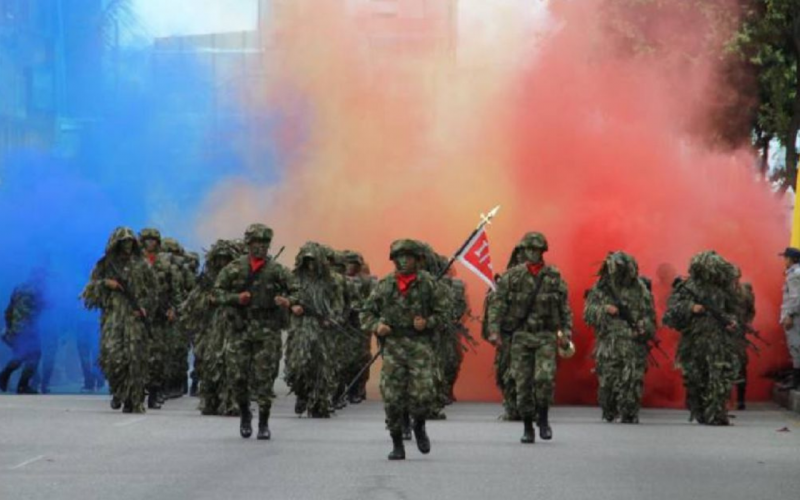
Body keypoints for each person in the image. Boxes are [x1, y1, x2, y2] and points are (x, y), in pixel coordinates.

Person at [361, 239, 447, 460]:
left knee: (423, 394)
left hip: (419, 346)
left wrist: (427, 322)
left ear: (417, 260)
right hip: (394, 346)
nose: (403, 261)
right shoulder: (385, 285)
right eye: (399, 257)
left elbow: (446, 314)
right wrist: (377, 326)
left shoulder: (429, 284)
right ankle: (397, 443)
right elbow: (366, 312)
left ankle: (419, 425)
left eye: (408, 257)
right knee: (392, 397)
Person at [487, 232, 573, 444]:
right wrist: (494, 330)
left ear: (543, 252)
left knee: (544, 379)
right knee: (522, 383)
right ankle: (527, 426)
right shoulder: (512, 277)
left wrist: (566, 333)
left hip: (545, 335)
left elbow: (564, 308)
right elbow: (498, 304)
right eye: (529, 250)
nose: (533, 254)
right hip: (521, 336)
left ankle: (543, 419)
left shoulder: (553, 276)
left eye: (537, 250)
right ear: (523, 251)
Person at [213, 224, 294, 440]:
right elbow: (215, 293)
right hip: (240, 329)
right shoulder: (234, 268)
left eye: (264, 243)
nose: (260, 247)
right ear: (248, 244)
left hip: (267, 330)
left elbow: (297, 289)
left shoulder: (276, 270)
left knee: (265, 378)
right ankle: (245, 414)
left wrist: (287, 300)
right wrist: (235, 298)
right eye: (256, 243)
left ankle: (264, 423)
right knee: (237, 376)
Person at [81, 227, 157, 413]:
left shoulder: (142, 265)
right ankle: (119, 390)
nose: (128, 245)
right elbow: (89, 290)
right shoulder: (105, 265)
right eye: (124, 242)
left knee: (135, 359)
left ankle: (134, 399)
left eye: (130, 241)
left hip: (134, 318)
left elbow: (153, 291)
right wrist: (106, 284)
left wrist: (145, 308)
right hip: (113, 318)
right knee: (113, 358)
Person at [664, 251, 740, 425]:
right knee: (695, 379)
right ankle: (700, 410)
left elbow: (734, 312)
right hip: (693, 342)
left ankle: (717, 414)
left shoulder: (725, 290)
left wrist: (732, 322)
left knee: (719, 378)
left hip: (719, 342)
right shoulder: (687, 288)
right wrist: (691, 307)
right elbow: (670, 315)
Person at [583, 251, 656, 424]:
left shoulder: (641, 290)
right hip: (609, 344)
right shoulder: (602, 288)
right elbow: (588, 314)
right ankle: (609, 409)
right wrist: (605, 309)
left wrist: (643, 327)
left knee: (632, 380)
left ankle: (629, 413)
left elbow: (650, 317)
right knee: (608, 382)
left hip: (633, 344)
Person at [0, 271, 46, 394]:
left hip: (17, 327)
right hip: (28, 329)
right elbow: (44, 306)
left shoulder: (19, 288)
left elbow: (9, 310)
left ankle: (6, 376)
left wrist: (10, 327)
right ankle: (21, 385)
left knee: (22, 354)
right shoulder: (37, 291)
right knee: (34, 355)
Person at [779, 247, 800, 391]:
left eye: (785, 258)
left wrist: (789, 315)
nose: (784, 260)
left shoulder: (794, 275)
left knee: (796, 347)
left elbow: (795, 297)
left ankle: (796, 382)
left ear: (792, 259)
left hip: (796, 317)